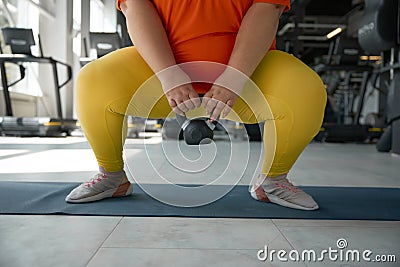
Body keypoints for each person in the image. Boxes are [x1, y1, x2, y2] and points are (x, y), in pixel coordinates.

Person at [65, 0, 327, 211]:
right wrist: (169, 74)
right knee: (93, 81)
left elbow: (267, 7)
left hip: (248, 75)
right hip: (161, 73)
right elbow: (136, 5)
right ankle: (112, 177)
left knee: (306, 90)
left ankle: (273, 181)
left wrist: (234, 76)